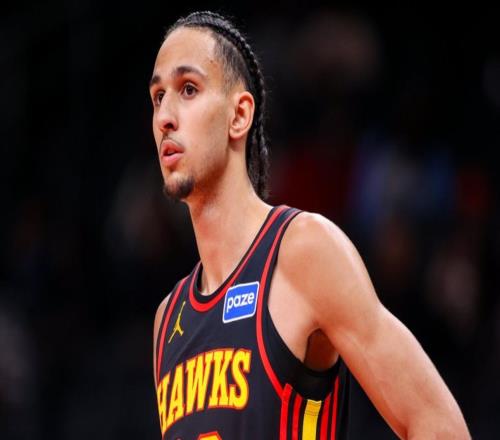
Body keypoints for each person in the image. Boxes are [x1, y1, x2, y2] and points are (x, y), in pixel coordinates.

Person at [150, 11, 470, 440]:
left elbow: (439, 425)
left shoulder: (303, 251)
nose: (165, 116)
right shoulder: (168, 319)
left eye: (188, 89)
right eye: (158, 97)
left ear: (239, 115)